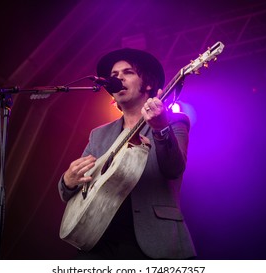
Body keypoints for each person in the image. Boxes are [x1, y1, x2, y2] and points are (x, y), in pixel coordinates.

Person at [58, 48, 196, 259]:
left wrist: (160, 129)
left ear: (148, 84)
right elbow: (77, 188)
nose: (118, 77)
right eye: (113, 76)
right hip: (99, 242)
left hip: (154, 242)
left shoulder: (175, 121)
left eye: (128, 72)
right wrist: (67, 182)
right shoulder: (99, 135)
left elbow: (173, 169)